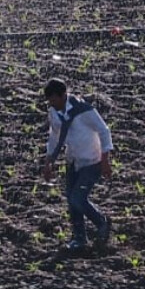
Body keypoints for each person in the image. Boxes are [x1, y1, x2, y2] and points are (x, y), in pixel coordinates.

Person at [41, 78, 113, 251]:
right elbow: (54, 136)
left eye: (54, 100)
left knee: (77, 198)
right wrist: (48, 161)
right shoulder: (54, 112)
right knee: (71, 201)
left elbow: (104, 131)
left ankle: (101, 222)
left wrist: (105, 159)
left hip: (92, 160)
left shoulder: (84, 110)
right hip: (73, 160)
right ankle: (79, 238)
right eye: (50, 101)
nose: (52, 104)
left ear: (63, 95)